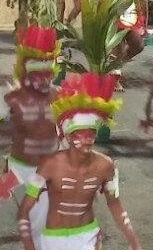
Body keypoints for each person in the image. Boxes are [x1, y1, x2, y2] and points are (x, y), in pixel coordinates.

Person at [17, 73, 140, 250]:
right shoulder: (50, 165)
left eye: (91, 133)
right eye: (80, 134)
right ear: (68, 135)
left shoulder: (105, 166)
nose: (87, 139)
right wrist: (29, 245)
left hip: (87, 237)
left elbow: (115, 205)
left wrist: (134, 242)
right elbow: (24, 209)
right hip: (53, 239)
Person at [0, 24, 60, 248]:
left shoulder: (61, 98)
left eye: (48, 73)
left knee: (46, 223)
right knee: (36, 225)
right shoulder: (11, 99)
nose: (44, 79)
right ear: (26, 72)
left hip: (51, 170)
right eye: (38, 74)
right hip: (21, 170)